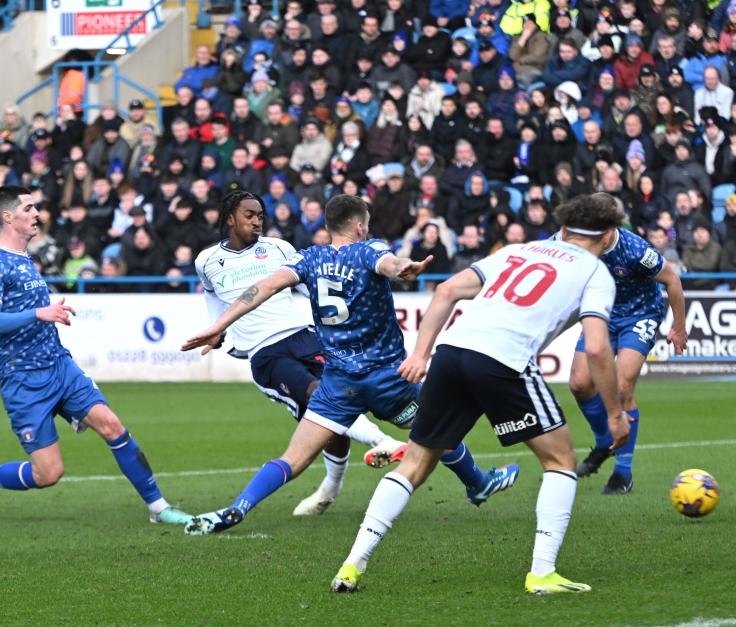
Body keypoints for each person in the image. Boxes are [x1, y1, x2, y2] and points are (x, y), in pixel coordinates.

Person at [330, 193, 630, 595]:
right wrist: (614, 414)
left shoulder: (519, 250)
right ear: (609, 236)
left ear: (562, 229)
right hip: (504, 361)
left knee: (415, 463)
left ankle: (351, 565)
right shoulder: (597, 273)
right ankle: (542, 573)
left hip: (452, 354)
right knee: (560, 460)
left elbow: (446, 291)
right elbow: (596, 348)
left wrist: (421, 353)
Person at [180, 195, 517, 535]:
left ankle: (238, 507)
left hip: (338, 382)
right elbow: (388, 262)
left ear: (327, 227)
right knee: (437, 424)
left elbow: (263, 287)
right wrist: (402, 268)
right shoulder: (369, 249)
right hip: (386, 378)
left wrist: (218, 325)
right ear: (359, 226)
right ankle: (477, 482)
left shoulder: (309, 258)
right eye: (366, 225)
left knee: (293, 459)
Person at [0, 186, 192, 525]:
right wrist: (40, 314)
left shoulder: (26, 258)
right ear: (8, 216)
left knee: (112, 425)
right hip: (24, 379)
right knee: (49, 473)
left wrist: (49, 312)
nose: (37, 213)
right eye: (29, 207)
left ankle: (159, 508)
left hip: (60, 366)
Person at [193, 191, 406, 516]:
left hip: (304, 337)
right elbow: (213, 296)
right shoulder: (206, 261)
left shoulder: (279, 248)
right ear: (230, 218)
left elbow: (315, 286)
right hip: (265, 353)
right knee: (319, 397)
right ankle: (380, 441)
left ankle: (330, 489)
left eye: (261, 215)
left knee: (333, 408)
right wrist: (216, 328)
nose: (257, 221)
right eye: (249, 215)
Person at [566, 203, 688, 495]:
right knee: (579, 384)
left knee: (621, 386)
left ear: (608, 233)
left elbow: (671, 279)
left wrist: (679, 327)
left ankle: (623, 473)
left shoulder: (635, 250)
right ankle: (604, 442)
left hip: (640, 314)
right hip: (601, 314)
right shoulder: (577, 243)